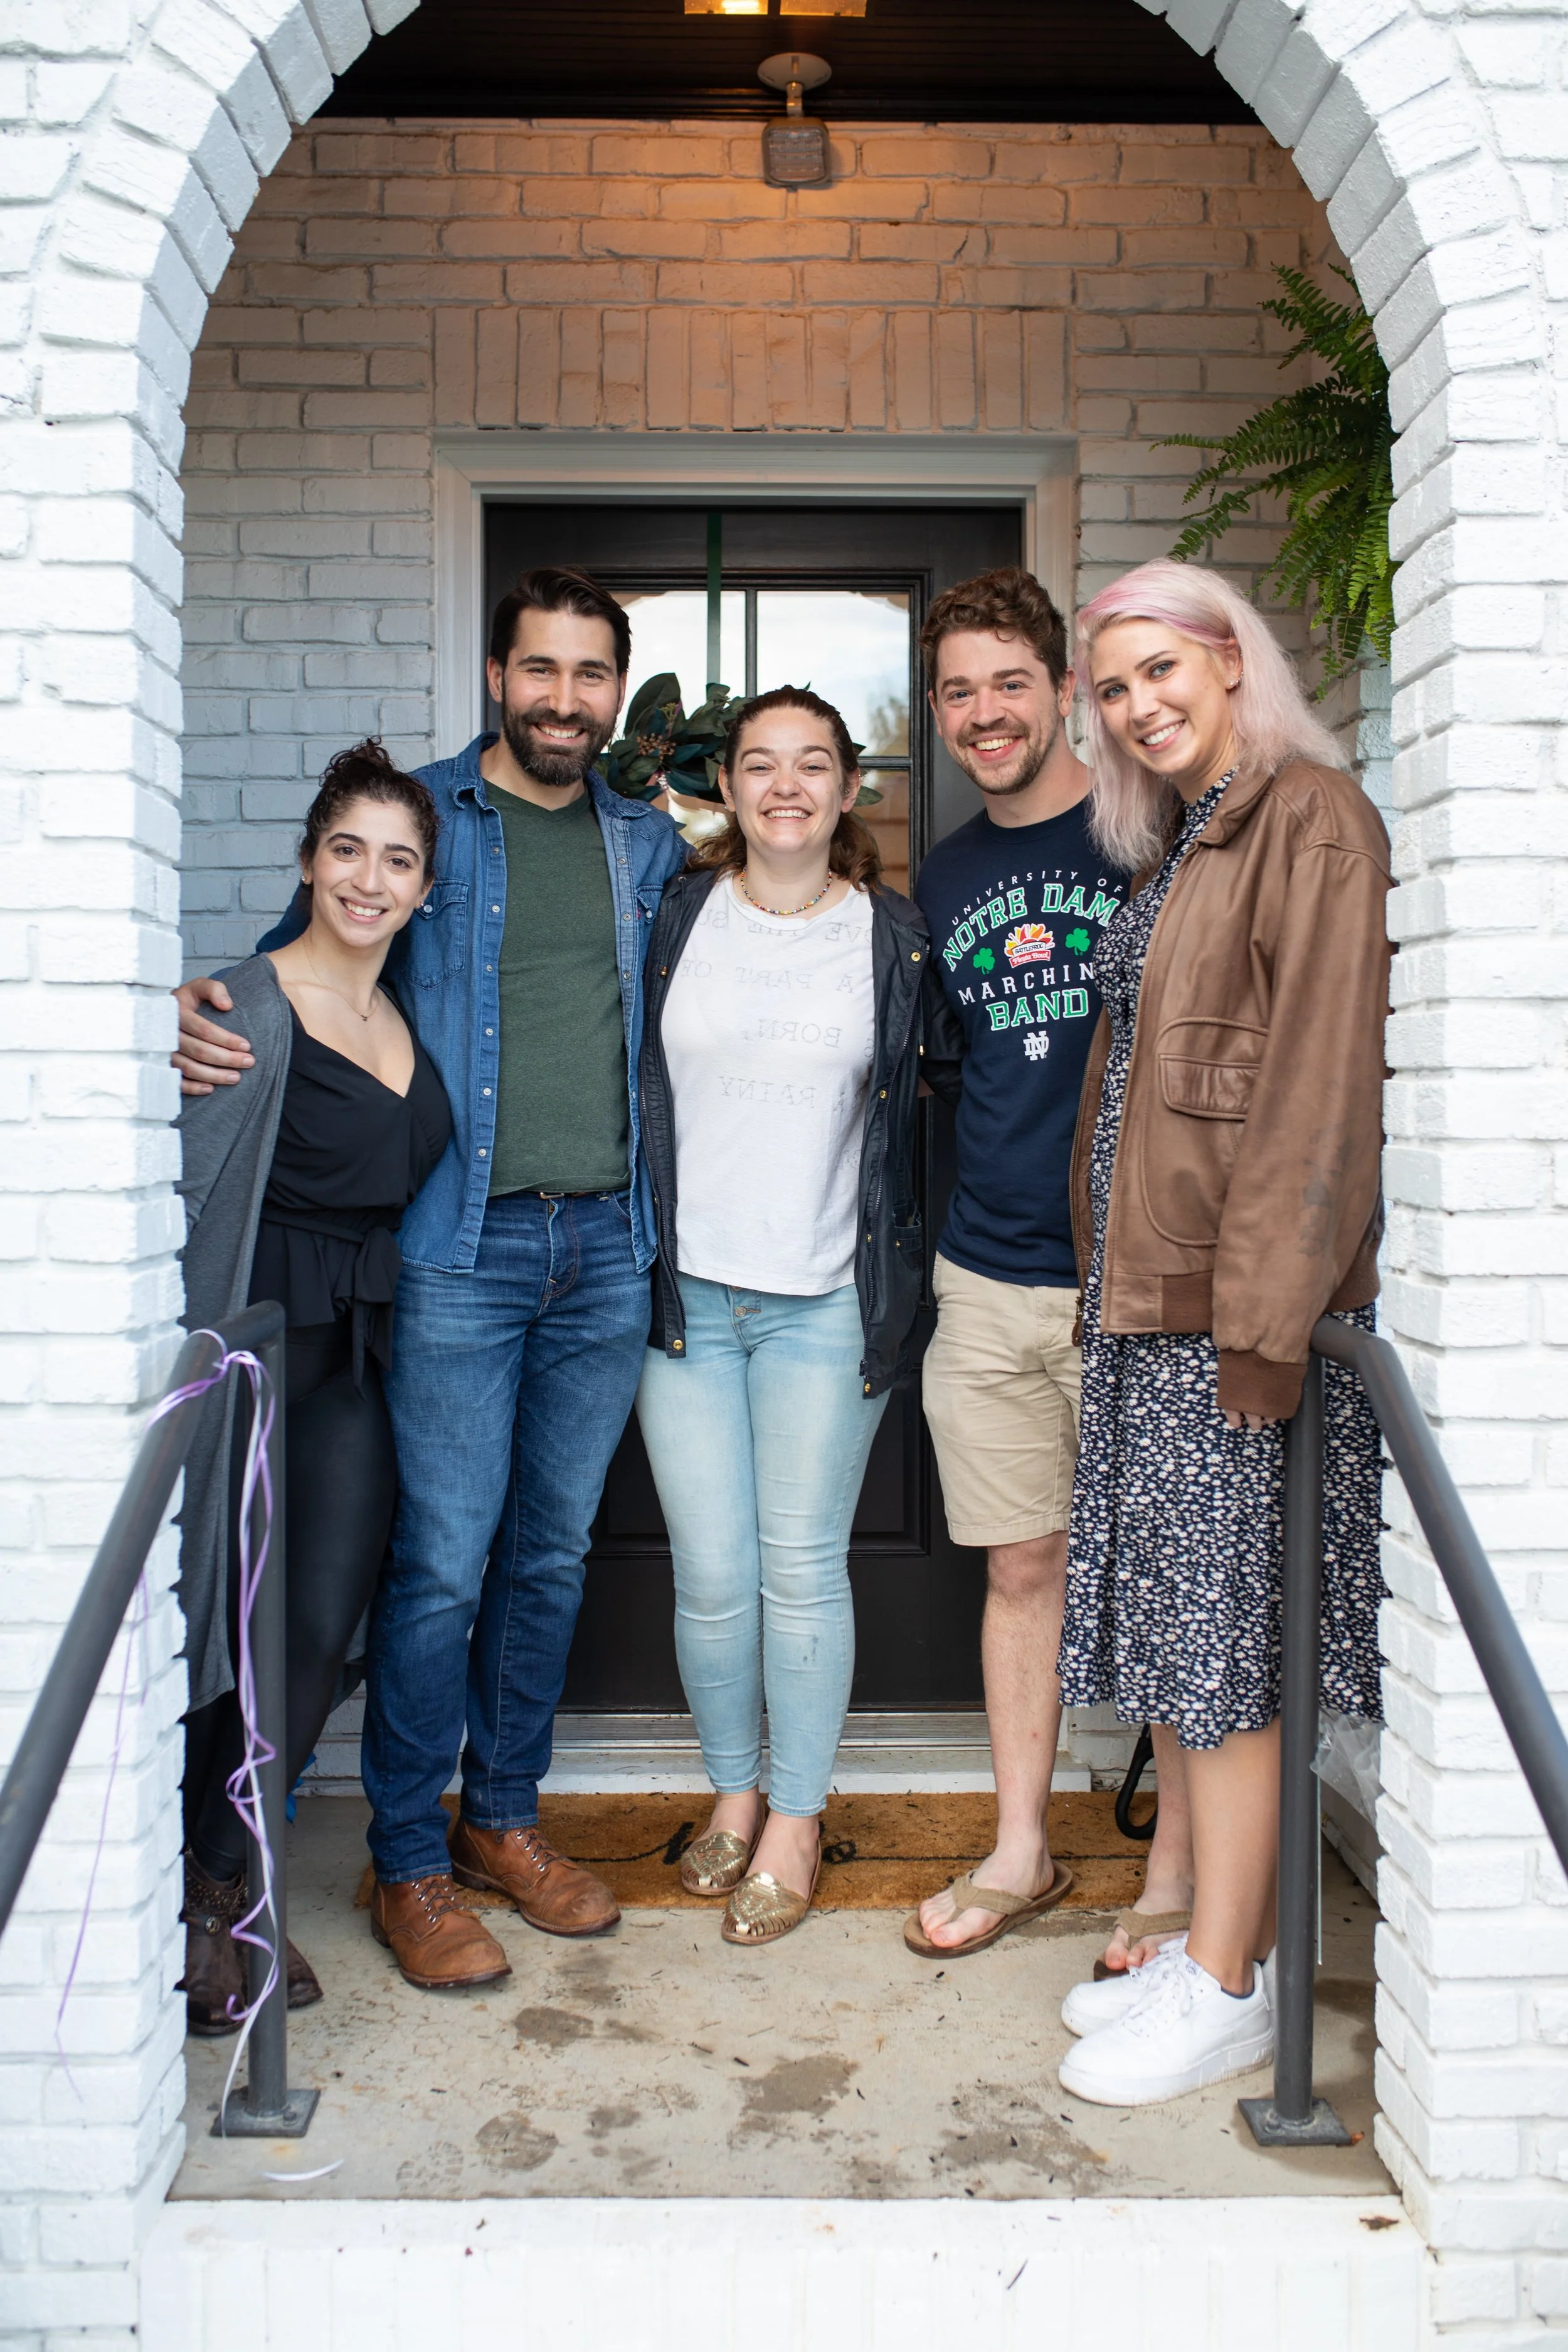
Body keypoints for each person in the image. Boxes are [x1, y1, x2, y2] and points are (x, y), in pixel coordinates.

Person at [171, 569, 688, 1993]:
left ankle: (499, 1820)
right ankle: (405, 1859)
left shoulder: (647, 842)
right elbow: (316, 955)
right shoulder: (432, 826)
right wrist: (190, 1005)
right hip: (459, 1249)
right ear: (496, 676)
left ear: (616, 692)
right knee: (442, 1563)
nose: (565, 699)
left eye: (591, 674)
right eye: (541, 670)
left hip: (607, 1247)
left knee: (549, 1556)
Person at [1052, 558, 1390, 2107]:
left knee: (1228, 1666)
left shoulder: (1308, 819)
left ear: (1230, 660)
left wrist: (1258, 1330)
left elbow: (1316, 1094)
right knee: (1189, 1664)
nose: (1136, 707)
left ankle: (1233, 1989)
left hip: (1223, 1328)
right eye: (1111, 688)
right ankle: (1207, 1957)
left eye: (1158, 671)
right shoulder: (1194, 836)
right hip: (1154, 1316)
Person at [635, 687, 953, 1944]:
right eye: (759, 763)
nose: (784, 786)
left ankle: (798, 1819)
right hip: (685, 1297)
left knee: (801, 1568)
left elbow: (942, 1106)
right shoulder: (673, 912)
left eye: (811, 763)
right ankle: (733, 1790)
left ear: (848, 786)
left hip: (826, 1297)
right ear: (725, 785)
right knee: (713, 1574)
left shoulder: (893, 934)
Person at [176, 741, 465, 2028]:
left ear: (423, 890)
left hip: (356, 1353)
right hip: (257, 1341)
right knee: (227, 1621)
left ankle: (225, 1876)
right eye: (347, 848)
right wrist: (153, 1025)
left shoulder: (405, 1018)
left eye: (397, 860)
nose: (369, 878)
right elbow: (174, 1172)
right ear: (307, 860)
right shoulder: (242, 1006)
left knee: (313, 1626)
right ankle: (209, 1908)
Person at [904, 569, 1130, 1959]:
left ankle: (1175, 1890)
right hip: (985, 1278)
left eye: (1007, 684)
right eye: (957, 693)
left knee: (1165, 1575)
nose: (984, 714)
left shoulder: (1142, 835)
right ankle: (1021, 1848)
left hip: (1135, 1281)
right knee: (1018, 1571)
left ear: (1060, 689)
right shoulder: (942, 876)